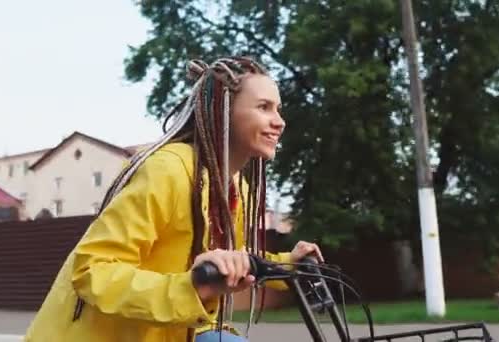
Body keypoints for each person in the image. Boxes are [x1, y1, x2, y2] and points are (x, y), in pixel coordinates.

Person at [23, 56, 323, 342]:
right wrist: (190, 286)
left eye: (278, 109)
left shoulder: (235, 188)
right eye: (264, 107)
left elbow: (233, 258)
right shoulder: (167, 171)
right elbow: (93, 270)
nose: (279, 121)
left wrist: (287, 264)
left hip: (174, 330)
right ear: (223, 112)